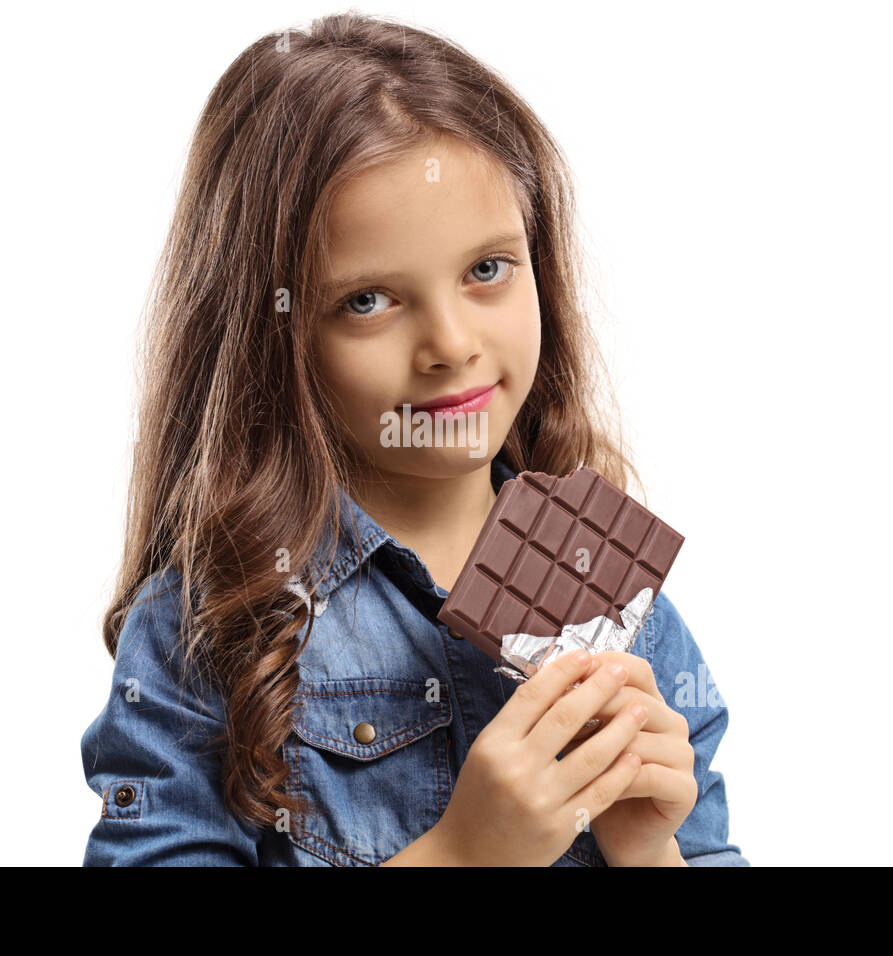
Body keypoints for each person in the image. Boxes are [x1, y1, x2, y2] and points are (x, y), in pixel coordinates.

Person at [80, 11, 747, 867]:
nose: (451, 345)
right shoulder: (210, 629)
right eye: (368, 301)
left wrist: (650, 853)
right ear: (272, 335)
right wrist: (464, 855)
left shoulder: (626, 613)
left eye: (487, 270)